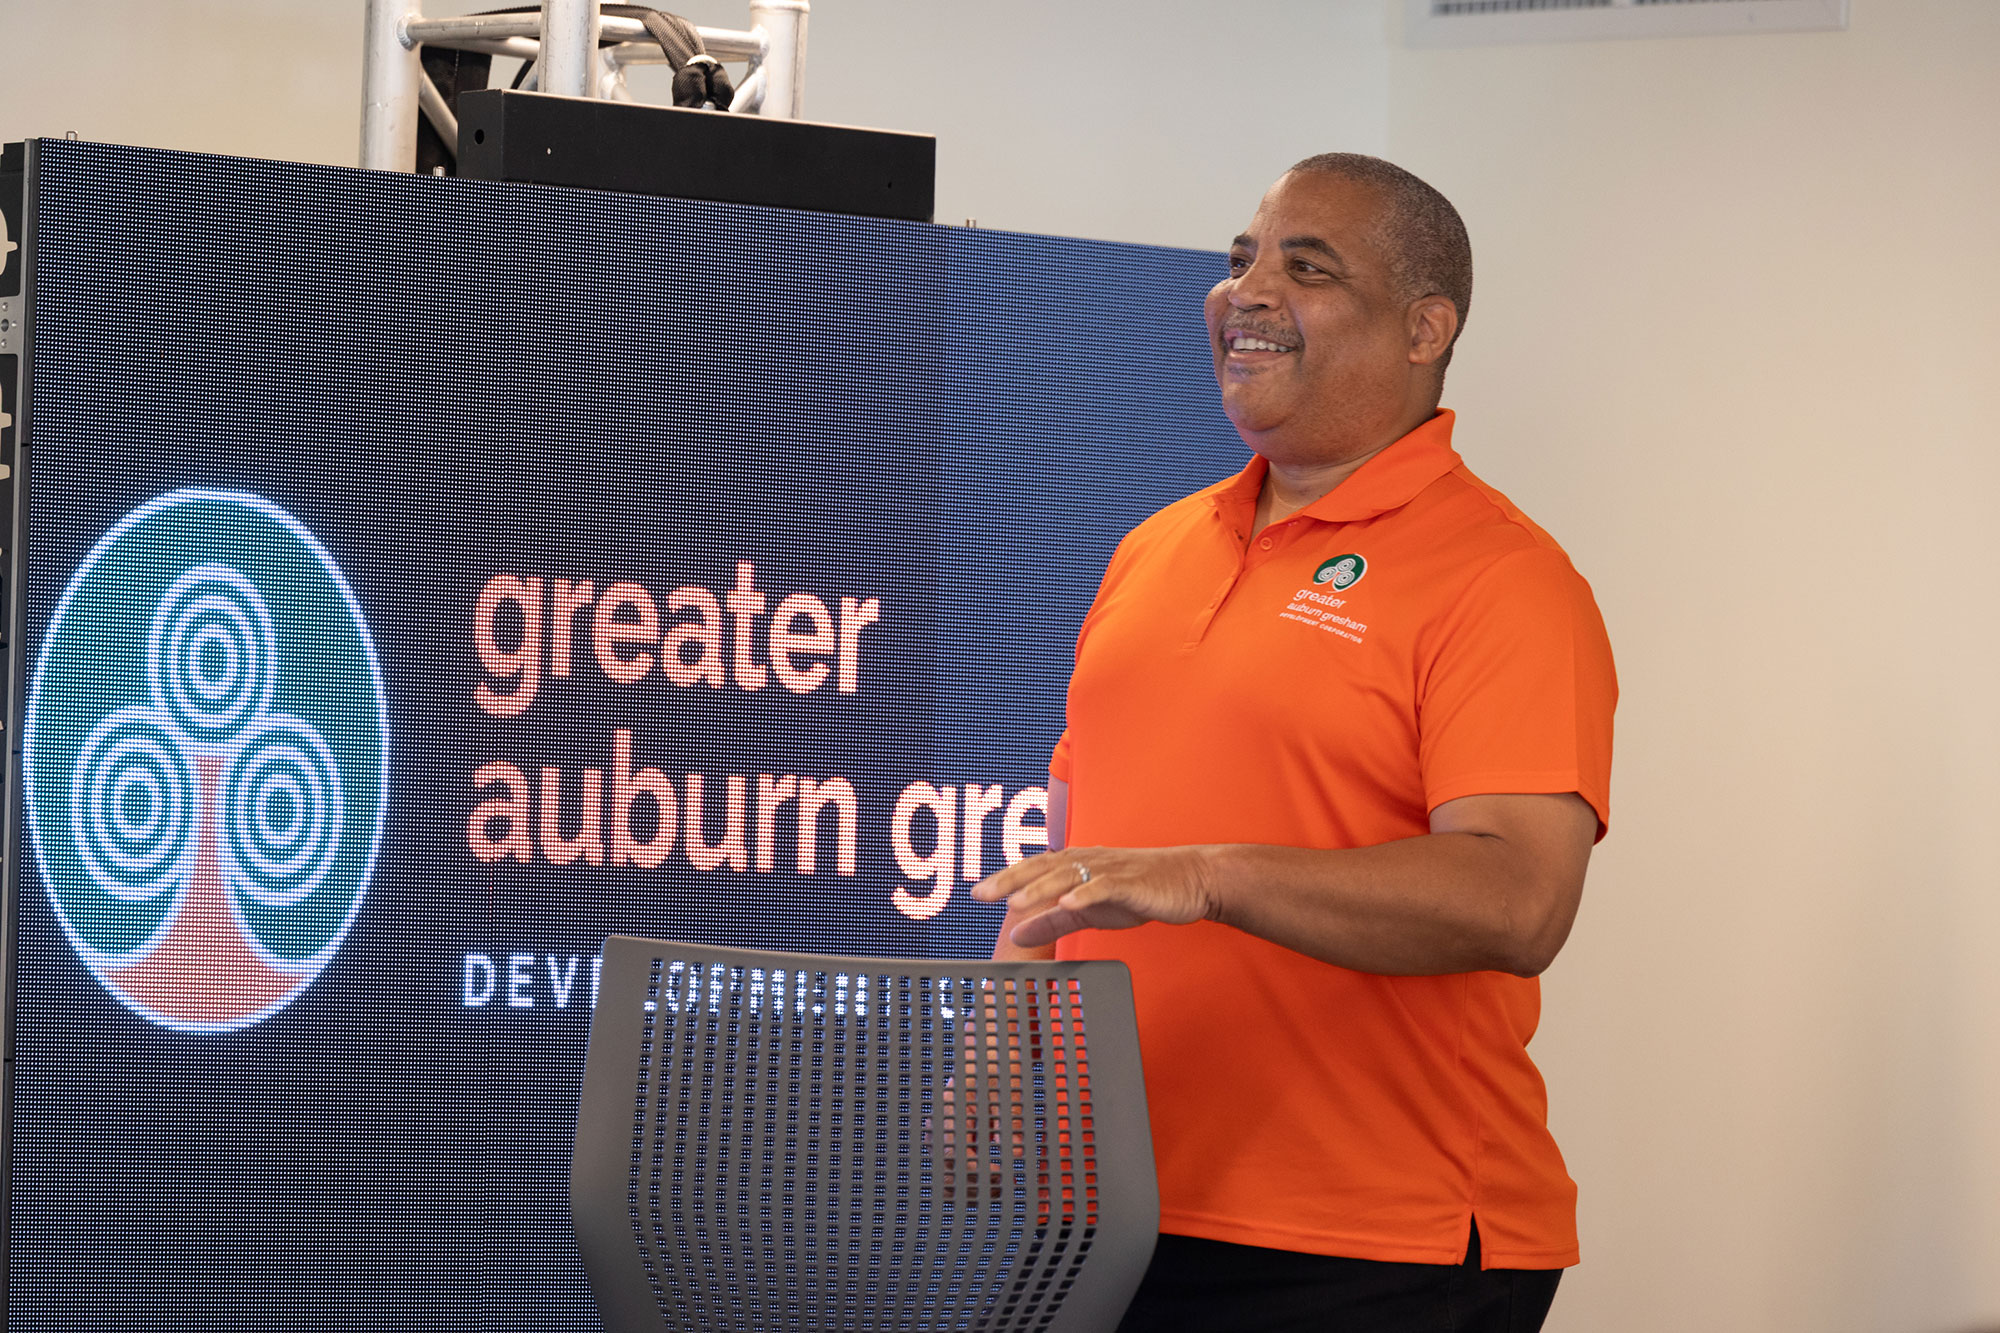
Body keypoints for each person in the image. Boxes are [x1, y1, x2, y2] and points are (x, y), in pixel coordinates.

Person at [970, 153, 1617, 1332]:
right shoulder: (1155, 546)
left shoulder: (1502, 579)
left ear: (1426, 328)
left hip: (1375, 1239)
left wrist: (1208, 876)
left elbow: (1519, 897)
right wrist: (1011, 1024)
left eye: (1304, 269)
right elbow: (1081, 847)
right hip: (1109, 1206)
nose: (1245, 293)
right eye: (1238, 261)